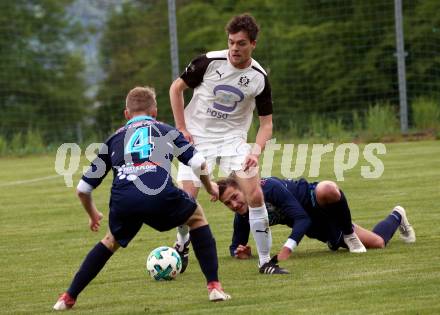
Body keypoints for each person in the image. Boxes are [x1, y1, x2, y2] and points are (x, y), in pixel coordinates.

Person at [53, 87, 231, 311]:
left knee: (109, 242)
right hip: (159, 194)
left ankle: (68, 298)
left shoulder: (113, 139)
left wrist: (93, 214)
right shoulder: (165, 130)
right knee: (196, 218)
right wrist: (210, 186)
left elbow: (82, 189)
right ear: (154, 112)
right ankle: (214, 287)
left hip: (125, 200)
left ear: (126, 114)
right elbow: (198, 163)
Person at [169, 13, 286, 274]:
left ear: (253, 44)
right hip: (198, 138)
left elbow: (266, 124)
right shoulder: (208, 62)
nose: (234, 48)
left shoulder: (259, 77)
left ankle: (265, 261)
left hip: (233, 141)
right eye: (232, 42)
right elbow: (175, 88)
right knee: (186, 201)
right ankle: (181, 243)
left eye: (241, 43)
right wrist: (181, 128)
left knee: (255, 195)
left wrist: (255, 151)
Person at [217, 176, 416, 261]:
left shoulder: (267, 187)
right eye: (227, 203)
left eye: (234, 197)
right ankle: (398, 214)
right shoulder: (243, 214)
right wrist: (240, 252)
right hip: (316, 225)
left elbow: (301, 218)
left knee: (328, 188)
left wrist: (288, 247)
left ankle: (349, 234)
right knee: (378, 243)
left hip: (313, 200)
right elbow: (235, 245)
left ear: (243, 189)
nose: (234, 205)